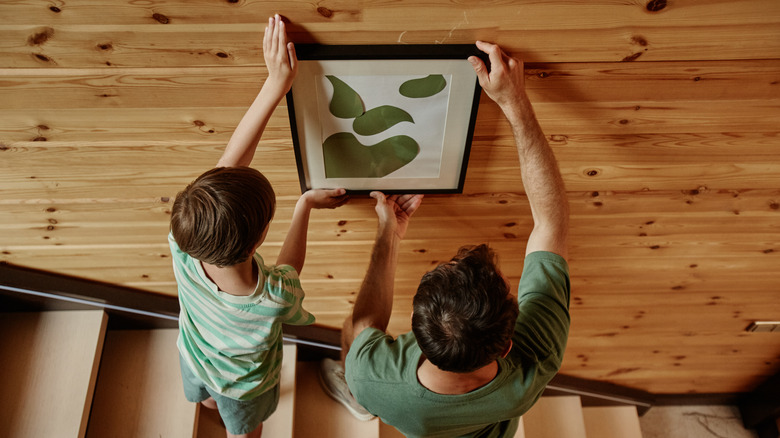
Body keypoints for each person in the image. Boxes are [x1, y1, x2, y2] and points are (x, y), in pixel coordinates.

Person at [319, 40, 570, 437]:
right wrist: (514, 102)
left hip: (390, 404)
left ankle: (355, 404)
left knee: (353, 353)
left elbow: (364, 323)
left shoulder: (370, 379)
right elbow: (550, 225)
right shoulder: (533, 366)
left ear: (414, 333)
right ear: (506, 347)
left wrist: (390, 230)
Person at [169, 15, 348, 438]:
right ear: (260, 237)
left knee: (208, 397)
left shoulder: (184, 241)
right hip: (247, 389)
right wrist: (304, 205)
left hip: (194, 358)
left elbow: (227, 169)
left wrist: (275, 85)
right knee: (244, 432)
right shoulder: (271, 296)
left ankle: (210, 403)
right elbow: (290, 269)